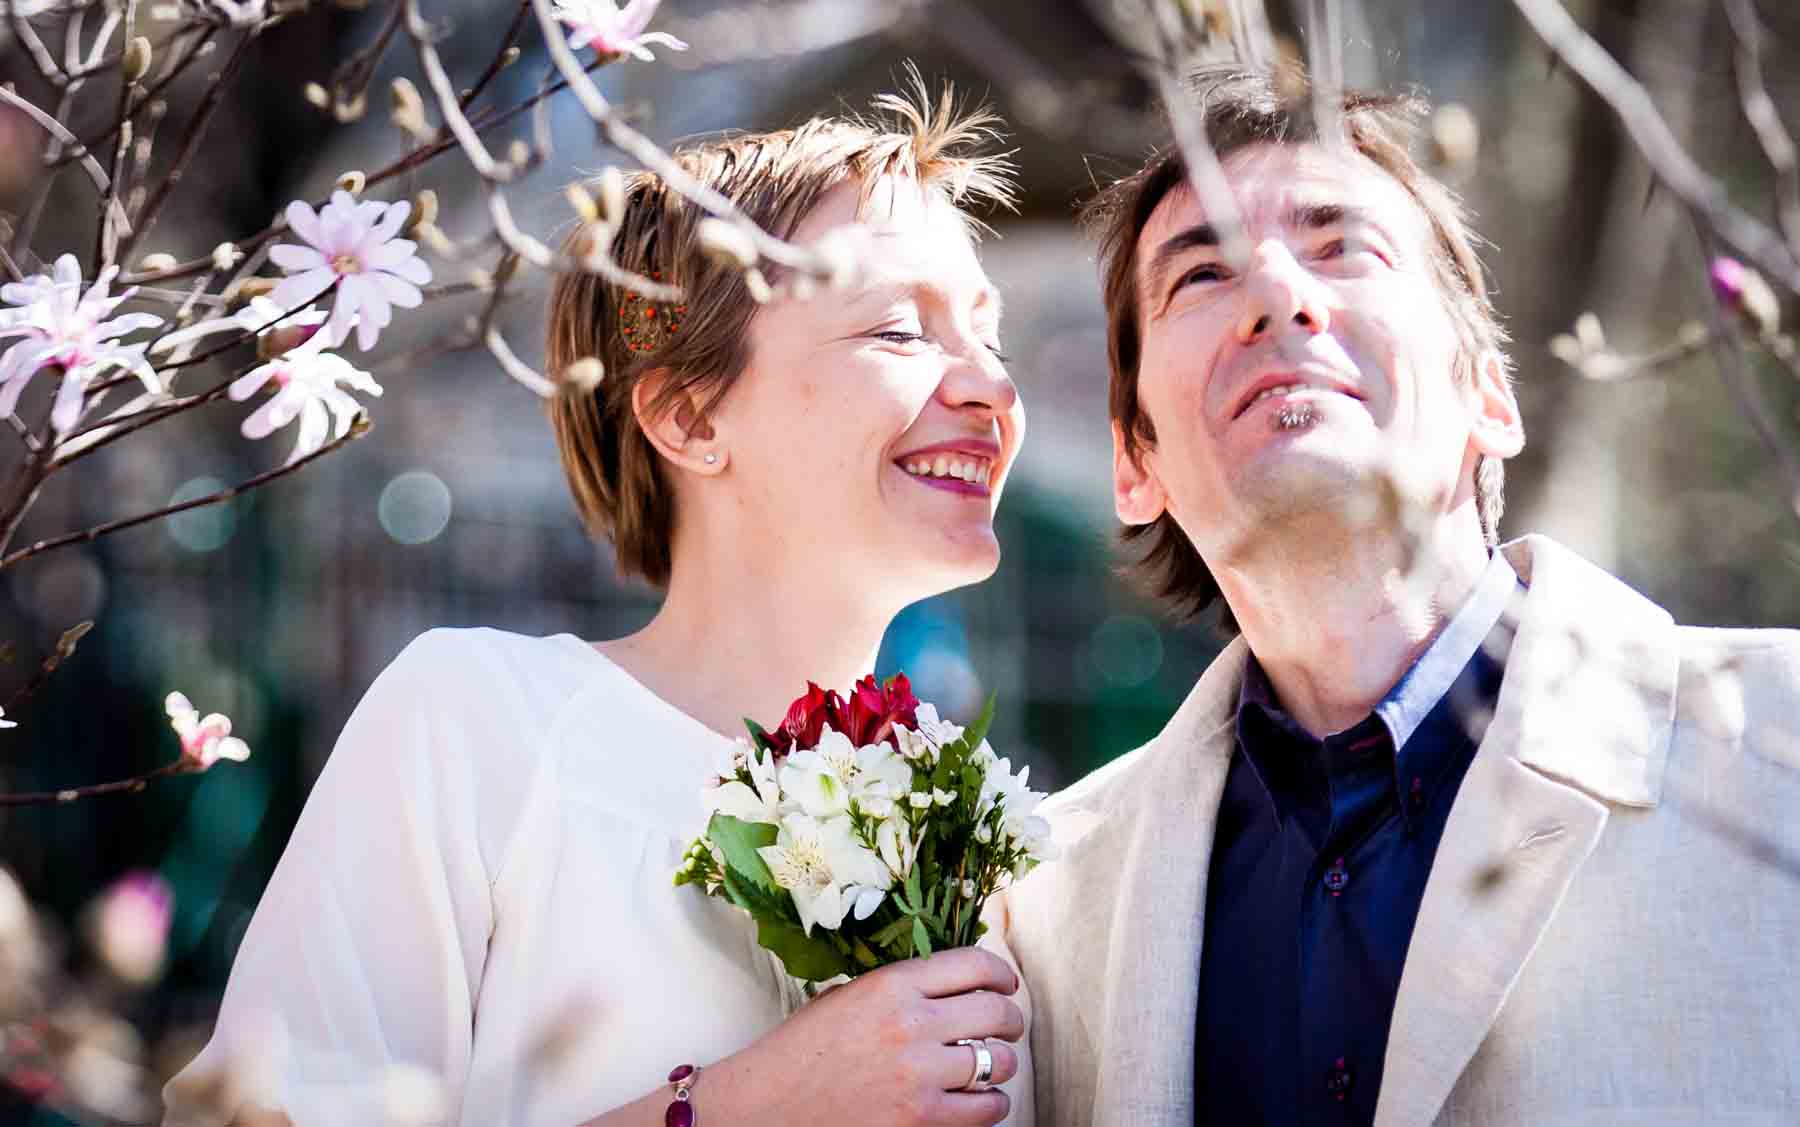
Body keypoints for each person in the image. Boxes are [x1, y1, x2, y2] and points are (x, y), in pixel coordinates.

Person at [165, 77, 1032, 1127]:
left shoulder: (1010, 846)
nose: (990, 384)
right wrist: (754, 1102)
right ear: (688, 414)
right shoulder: (477, 724)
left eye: (989, 335)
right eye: (898, 330)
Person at [989, 68, 1800, 1126]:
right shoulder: (1040, 910)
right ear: (1133, 464)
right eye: (1200, 277)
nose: (1278, 294)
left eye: (1341, 246)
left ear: (1489, 394)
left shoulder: (1780, 746)